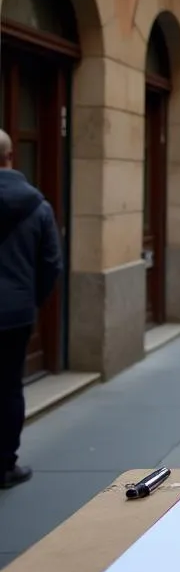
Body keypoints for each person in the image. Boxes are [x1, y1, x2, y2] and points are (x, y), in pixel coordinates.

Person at [0, 129, 63, 488]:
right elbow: (51, 263)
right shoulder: (37, 206)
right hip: (16, 312)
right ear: (11, 156)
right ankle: (5, 465)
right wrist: (30, 298)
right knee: (9, 387)